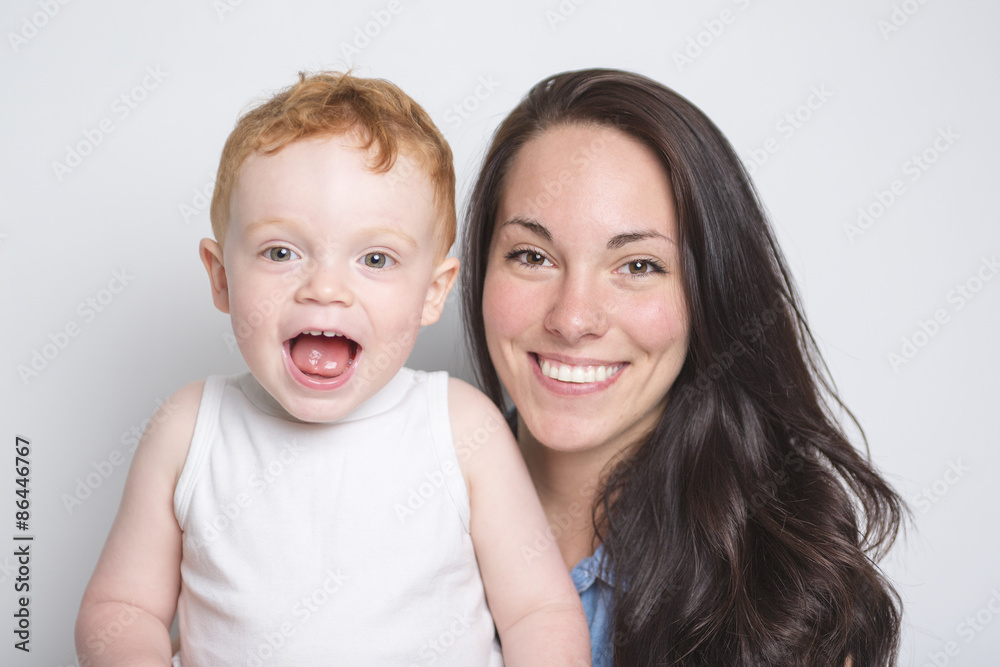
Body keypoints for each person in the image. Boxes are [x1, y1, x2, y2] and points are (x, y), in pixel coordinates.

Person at [75, 72, 590, 666]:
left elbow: (539, 612)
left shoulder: (462, 429)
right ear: (221, 275)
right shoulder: (189, 428)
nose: (324, 288)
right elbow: (122, 609)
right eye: (280, 252)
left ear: (433, 291)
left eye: (375, 258)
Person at [461, 68, 903, 667]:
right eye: (532, 256)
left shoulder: (785, 600)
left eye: (639, 266)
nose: (573, 318)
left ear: (711, 293)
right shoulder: (388, 509)